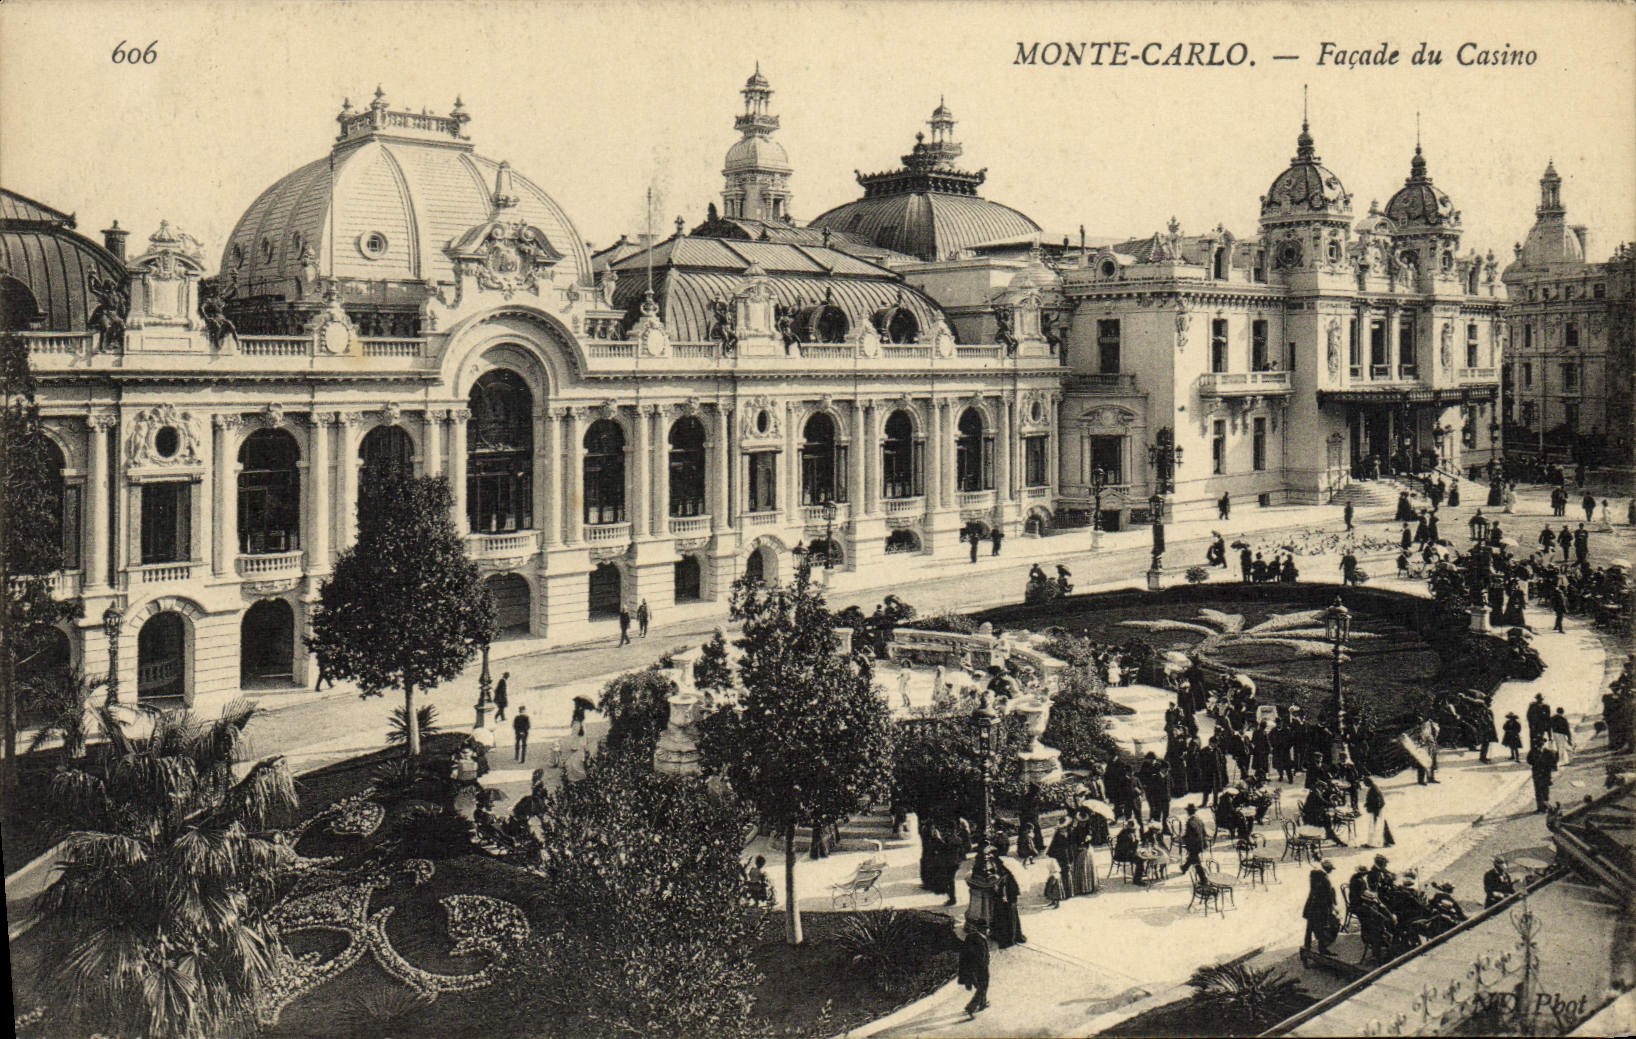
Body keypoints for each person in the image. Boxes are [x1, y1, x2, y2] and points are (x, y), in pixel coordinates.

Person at [1303, 858, 1339, 956]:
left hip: (1311, 906)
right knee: (1323, 928)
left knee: (1309, 928)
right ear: (1327, 868)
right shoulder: (1324, 878)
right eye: (1331, 868)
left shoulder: (1315, 875)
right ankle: (1322, 949)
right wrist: (1333, 908)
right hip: (1320, 908)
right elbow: (1326, 896)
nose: (1332, 870)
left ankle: (1307, 947)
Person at [990, 855, 1026, 949]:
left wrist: (998, 889)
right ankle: (1010, 936)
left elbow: (1008, 891)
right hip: (1006, 901)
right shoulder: (1002, 875)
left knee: (1006, 919)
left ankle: (1008, 938)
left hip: (1007, 902)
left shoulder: (1006, 877)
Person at [958, 920, 991, 1018]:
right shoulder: (979, 940)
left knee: (982, 987)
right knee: (982, 987)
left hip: (973, 969)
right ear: (983, 930)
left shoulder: (971, 937)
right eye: (987, 929)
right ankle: (971, 1008)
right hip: (980, 969)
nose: (988, 930)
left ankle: (983, 1003)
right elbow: (979, 957)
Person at [1528, 740, 1559, 813]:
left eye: (1540, 746)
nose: (1539, 748)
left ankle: (1545, 806)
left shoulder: (1548, 752)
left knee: (1545, 791)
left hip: (1545, 775)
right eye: (1538, 746)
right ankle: (1540, 808)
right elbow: (1529, 760)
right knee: (1538, 791)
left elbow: (1553, 761)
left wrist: (1551, 767)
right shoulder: (1533, 752)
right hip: (1537, 774)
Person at [1362, 776, 1393, 848]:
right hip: (1377, 810)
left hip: (1377, 811)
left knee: (1377, 826)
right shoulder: (1374, 788)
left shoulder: (1374, 789)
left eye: (1365, 783)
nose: (1365, 785)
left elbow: (1378, 802)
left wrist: (1374, 810)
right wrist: (1367, 804)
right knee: (1380, 825)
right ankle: (1383, 841)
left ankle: (1375, 843)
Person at [1180, 803, 1208, 877]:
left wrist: (1183, 839)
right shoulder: (1199, 819)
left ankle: (1203, 879)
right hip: (1200, 843)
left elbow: (1190, 835)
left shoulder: (1190, 821)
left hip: (1194, 845)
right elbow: (1204, 832)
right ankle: (1184, 867)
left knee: (1196, 862)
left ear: (1188, 812)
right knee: (1192, 858)